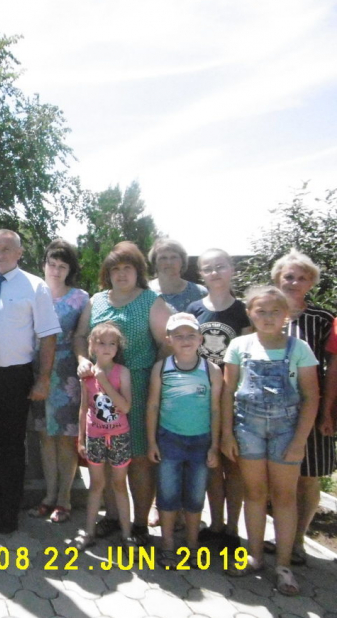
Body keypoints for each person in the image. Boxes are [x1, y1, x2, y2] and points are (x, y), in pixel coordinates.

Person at [221, 286, 319, 596]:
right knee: (254, 493)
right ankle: (255, 556)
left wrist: (300, 440)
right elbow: (227, 392)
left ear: (286, 316)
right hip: (247, 430)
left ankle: (284, 564)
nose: (267, 317)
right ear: (250, 313)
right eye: (260, 311)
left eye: (275, 311)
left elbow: (311, 396)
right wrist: (226, 434)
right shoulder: (239, 345)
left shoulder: (299, 348)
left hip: (286, 432)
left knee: (284, 497)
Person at [0, 229, 61, 534]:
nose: (0, 253)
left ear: (19, 253)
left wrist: (43, 379)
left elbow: (47, 335)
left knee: (12, 447)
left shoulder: (35, 286)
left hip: (15, 377)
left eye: (7, 249)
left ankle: (9, 511)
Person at [75, 242, 171, 543]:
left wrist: (155, 376)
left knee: (138, 457)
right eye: (115, 268)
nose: (121, 274)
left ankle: (140, 522)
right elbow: (80, 335)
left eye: (127, 267)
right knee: (106, 457)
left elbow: (166, 344)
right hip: (100, 388)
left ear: (138, 270)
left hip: (138, 388)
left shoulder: (151, 301)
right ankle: (113, 517)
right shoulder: (97, 300)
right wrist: (82, 359)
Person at [269, 249, 335, 565]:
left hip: (311, 409)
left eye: (302, 277)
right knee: (280, 478)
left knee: (308, 477)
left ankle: (297, 542)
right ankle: (278, 536)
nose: (294, 282)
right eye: (288, 276)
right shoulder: (265, 315)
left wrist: (326, 412)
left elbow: (331, 367)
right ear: (277, 280)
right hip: (269, 413)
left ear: (311, 283)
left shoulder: (321, 320)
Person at [146, 313, 222, 568]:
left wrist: (215, 444)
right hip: (169, 440)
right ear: (168, 340)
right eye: (178, 335)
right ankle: (167, 543)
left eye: (191, 335)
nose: (185, 340)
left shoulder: (211, 370)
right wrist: (152, 442)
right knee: (167, 493)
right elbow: (153, 406)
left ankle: (192, 545)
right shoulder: (162, 368)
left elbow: (215, 409)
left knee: (195, 495)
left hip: (201, 441)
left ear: (201, 338)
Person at [186, 248, 250, 548]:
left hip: (237, 399)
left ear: (232, 269)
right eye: (208, 268)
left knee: (233, 464)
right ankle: (215, 523)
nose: (215, 273)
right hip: (202, 398)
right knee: (211, 463)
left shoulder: (244, 311)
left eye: (220, 266)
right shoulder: (194, 309)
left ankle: (233, 528)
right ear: (201, 275)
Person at [29, 239, 88, 523]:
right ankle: (49, 494)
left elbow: (83, 336)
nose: (55, 270)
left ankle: (65, 498)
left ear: (69, 270)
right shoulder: (32, 292)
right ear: (44, 265)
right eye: (51, 264)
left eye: (62, 266)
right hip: (36, 369)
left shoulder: (80, 298)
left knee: (65, 438)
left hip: (65, 373)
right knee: (44, 436)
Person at [74, 321, 134, 550]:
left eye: (112, 343)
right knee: (96, 484)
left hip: (119, 435)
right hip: (95, 435)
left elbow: (125, 406)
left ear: (118, 348)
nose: (107, 347)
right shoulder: (85, 376)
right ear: (92, 346)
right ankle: (88, 532)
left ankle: (126, 534)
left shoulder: (123, 373)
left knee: (119, 484)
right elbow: (83, 407)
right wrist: (81, 438)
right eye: (101, 343)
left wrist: (104, 381)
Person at [147, 238, 207, 313]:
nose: (169, 262)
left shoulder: (200, 293)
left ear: (182, 261)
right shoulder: (143, 291)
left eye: (174, 257)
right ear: (155, 262)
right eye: (163, 258)